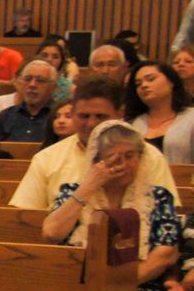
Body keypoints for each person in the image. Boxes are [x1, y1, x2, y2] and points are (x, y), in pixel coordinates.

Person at [43, 121, 180, 291]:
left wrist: (114, 285)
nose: (123, 164)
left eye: (130, 156)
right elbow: (51, 234)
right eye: (114, 158)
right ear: (96, 161)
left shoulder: (158, 197)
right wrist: (89, 186)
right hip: (76, 284)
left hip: (137, 287)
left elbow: (165, 254)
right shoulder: (74, 192)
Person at [11, 74, 181, 209]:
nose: (91, 124)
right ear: (73, 112)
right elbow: (25, 215)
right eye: (84, 116)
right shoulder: (47, 158)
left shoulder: (150, 156)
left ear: (120, 114)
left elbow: (168, 214)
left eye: (100, 116)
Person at [126, 60, 194, 163]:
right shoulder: (132, 124)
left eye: (150, 79)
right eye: (138, 84)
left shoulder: (191, 118)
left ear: (171, 82)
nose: (144, 85)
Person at [0, 60, 59, 142]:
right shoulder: (5, 116)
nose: (32, 85)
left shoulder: (60, 116)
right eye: (27, 79)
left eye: (40, 80)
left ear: (53, 87)